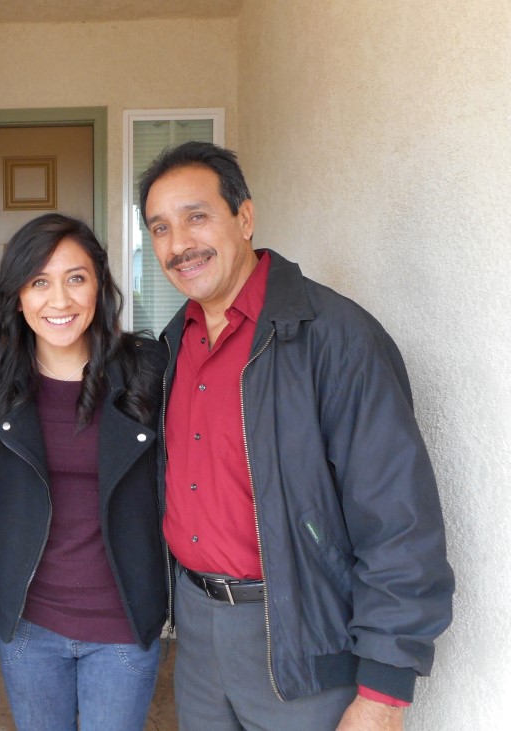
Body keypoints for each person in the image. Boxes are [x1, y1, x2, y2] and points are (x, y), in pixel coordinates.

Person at [139, 140, 454, 731]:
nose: (179, 244)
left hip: (304, 635)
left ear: (245, 217)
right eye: (160, 227)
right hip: (197, 632)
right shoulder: (172, 346)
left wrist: (385, 690)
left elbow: (397, 517)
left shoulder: (334, 337)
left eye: (196, 216)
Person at [0, 213, 169, 730]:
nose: (59, 301)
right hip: (30, 624)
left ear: (100, 286)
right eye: (39, 281)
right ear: (17, 295)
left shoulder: (147, 370)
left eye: (76, 278)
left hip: (123, 625)